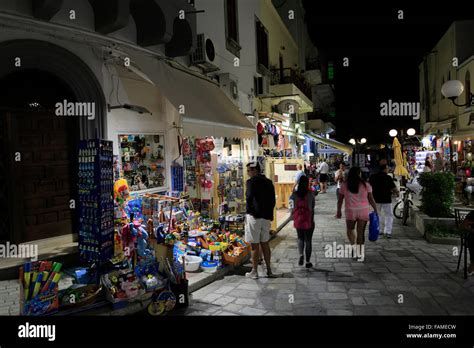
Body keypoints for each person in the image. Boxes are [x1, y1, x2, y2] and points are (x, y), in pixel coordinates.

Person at [336, 167, 378, 261]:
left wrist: (338, 211)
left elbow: (340, 200)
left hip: (350, 211)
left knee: (350, 230)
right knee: (360, 233)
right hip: (363, 211)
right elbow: (371, 199)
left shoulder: (344, 185)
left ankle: (353, 246)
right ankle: (360, 254)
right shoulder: (366, 185)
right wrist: (375, 210)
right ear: (359, 174)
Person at [244, 161, 276, 279]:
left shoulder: (251, 182)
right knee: (265, 244)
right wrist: (269, 214)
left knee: (254, 245)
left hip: (254, 217)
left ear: (255, 170)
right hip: (266, 217)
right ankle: (269, 270)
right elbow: (272, 200)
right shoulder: (268, 182)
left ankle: (254, 271)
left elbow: (249, 197)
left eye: (249, 171)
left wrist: (250, 211)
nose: (248, 173)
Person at [289, 176, 315, 268]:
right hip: (308, 219)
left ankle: (301, 255)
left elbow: (291, 207)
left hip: (298, 219)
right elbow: (312, 207)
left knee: (300, 238)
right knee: (308, 240)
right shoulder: (310, 194)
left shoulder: (294, 194)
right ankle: (308, 262)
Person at [369, 164, 399, 238]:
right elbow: (394, 188)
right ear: (384, 169)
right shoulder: (388, 177)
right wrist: (397, 193)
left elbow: (368, 187)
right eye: (387, 168)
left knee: (377, 214)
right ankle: (387, 232)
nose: (388, 169)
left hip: (375, 199)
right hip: (386, 199)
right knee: (389, 215)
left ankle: (378, 230)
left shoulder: (373, 177)